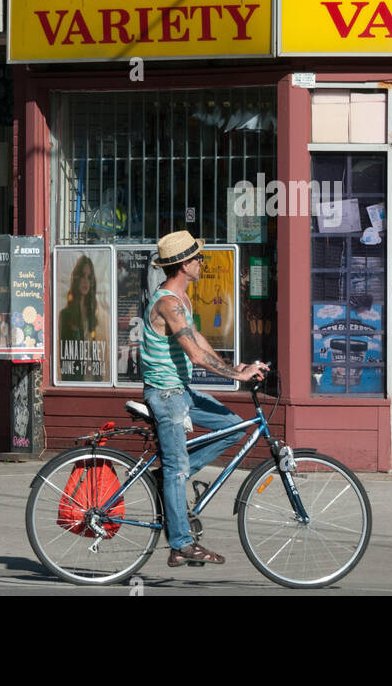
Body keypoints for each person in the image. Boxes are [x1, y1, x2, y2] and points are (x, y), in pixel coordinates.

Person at [141, 230, 265, 566]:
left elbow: (197, 338)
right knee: (178, 471)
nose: (201, 262)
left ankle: (167, 474)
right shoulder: (167, 303)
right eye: (197, 258)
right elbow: (195, 355)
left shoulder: (181, 301)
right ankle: (181, 544)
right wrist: (236, 376)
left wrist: (230, 366)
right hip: (167, 395)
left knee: (234, 427)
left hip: (182, 390)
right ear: (183, 265)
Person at [59, 254, 104, 381]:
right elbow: (64, 358)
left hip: (93, 380)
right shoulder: (66, 315)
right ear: (76, 279)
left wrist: (99, 380)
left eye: (89, 277)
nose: (85, 281)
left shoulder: (93, 314)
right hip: (76, 380)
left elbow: (95, 353)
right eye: (82, 276)